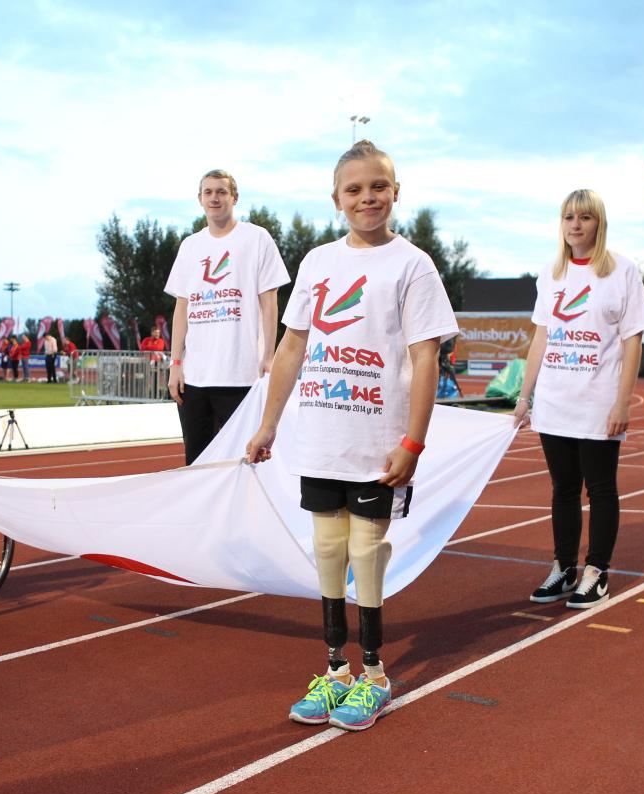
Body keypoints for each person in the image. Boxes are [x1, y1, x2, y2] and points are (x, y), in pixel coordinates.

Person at [246, 140, 458, 731]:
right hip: (321, 439)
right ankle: (335, 672)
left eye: (378, 187)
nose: (368, 198)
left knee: (366, 556)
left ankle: (374, 676)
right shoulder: (317, 262)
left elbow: (425, 357)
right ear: (336, 198)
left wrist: (413, 443)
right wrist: (268, 425)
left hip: (377, 444)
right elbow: (292, 347)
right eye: (355, 189)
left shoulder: (412, 265)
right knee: (328, 554)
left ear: (396, 191)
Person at [513, 189, 644, 610]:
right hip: (555, 402)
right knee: (562, 490)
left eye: (585, 217)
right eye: (568, 217)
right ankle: (563, 568)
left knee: (600, 488)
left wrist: (623, 402)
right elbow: (541, 336)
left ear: (599, 223)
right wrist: (525, 395)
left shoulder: (622, 272)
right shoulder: (551, 275)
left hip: (597, 401)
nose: (576, 224)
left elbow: (633, 342)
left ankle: (597, 572)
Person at [165, 169, 289, 465]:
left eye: (221, 192)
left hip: (241, 375)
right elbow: (182, 307)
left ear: (234, 197)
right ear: (200, 199)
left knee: (243, 464)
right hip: (195, 379)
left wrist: (268, 356)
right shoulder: (190, 246)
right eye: (208, 192)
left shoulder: (257, 238)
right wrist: (175, 364)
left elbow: (269, 302)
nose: (214, 198)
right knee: (196, 464)